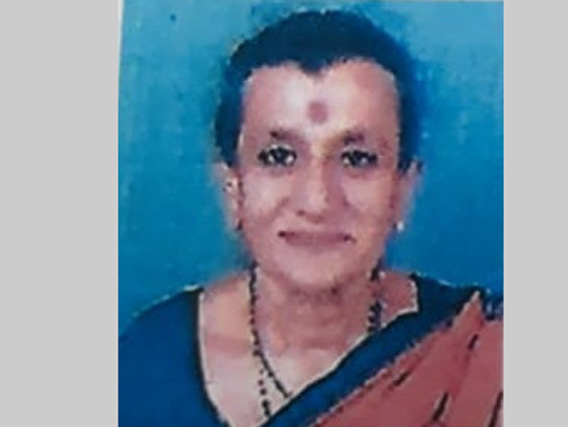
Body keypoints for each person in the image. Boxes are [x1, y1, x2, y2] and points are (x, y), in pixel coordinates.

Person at [119, 9, 503, 427]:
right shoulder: (146, 368)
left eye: (357, 159)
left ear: (403, 189)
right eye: (279, 157)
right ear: (234, 188)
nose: (317, 201)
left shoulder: (474, 355)